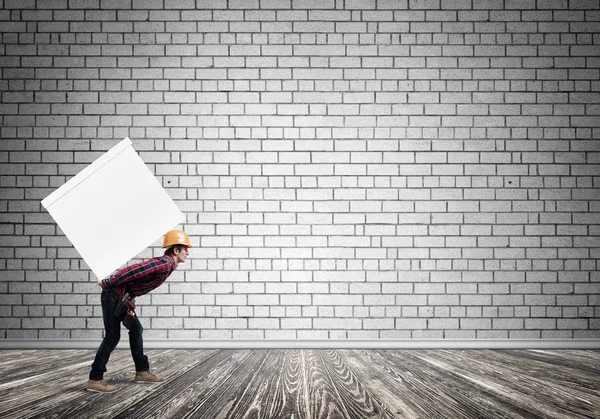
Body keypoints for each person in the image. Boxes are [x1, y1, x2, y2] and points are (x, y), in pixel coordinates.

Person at [86, 229, 192, 393]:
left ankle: (142, 372)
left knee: (136, 329)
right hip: (113, 294)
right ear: (176, 250)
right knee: (112, 335)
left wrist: (130, 296)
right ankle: (95, 379)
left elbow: (137, 279)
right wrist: (107, 282)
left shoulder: (168, 265)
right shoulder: (164, 263)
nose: (188, 252)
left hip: (121, 297)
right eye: (186, 249)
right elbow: (134, 271)